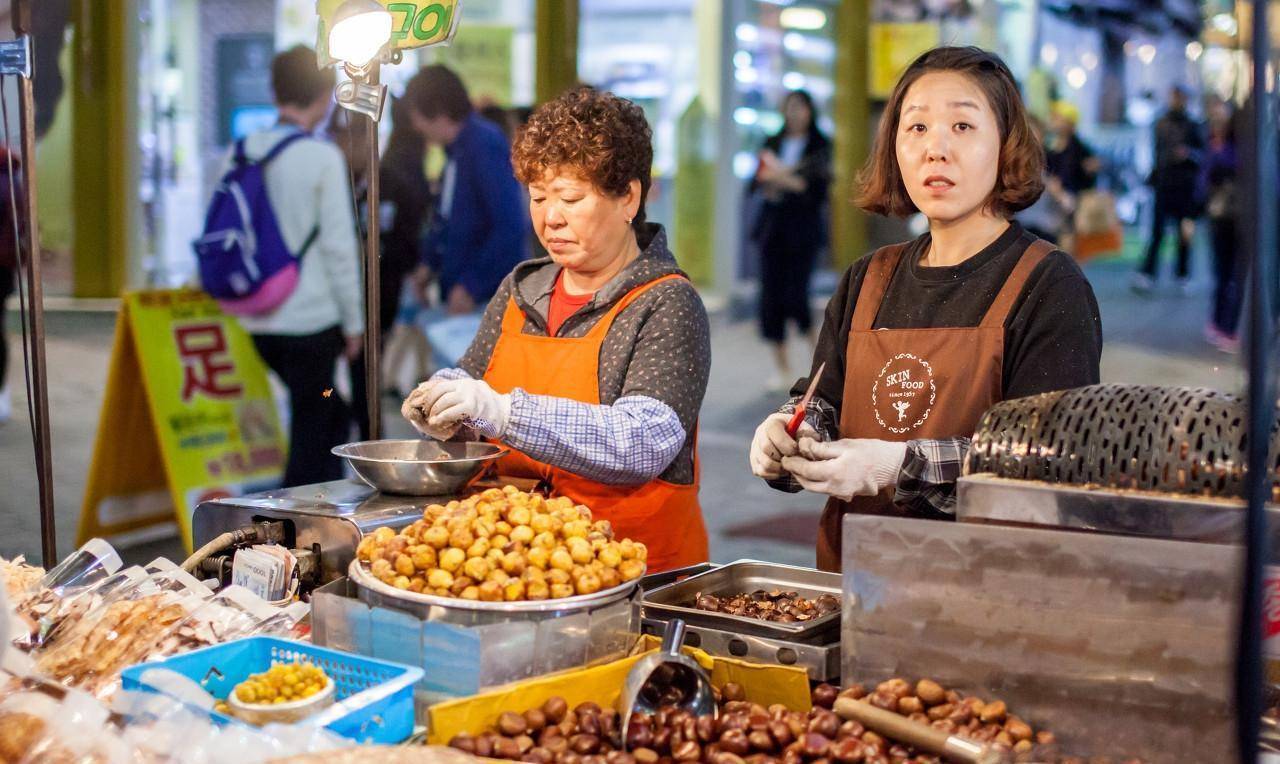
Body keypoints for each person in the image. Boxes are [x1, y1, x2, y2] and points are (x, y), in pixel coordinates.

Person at [747, 46, 1102, 571]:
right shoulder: (867, 278)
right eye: (916, 129)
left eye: (962, 126)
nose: (936, 148)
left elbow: (1051, 465)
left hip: (986, 595)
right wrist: (790, 435)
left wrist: (899, 466)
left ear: (1005, 145)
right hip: (853, 586)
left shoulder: (1049, 284)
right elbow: (821, 402)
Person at [401, 87, 711, 573]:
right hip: (512, 564)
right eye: (538, 196)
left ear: (629, 197)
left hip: (630, 568)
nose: (550, 217)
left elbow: (642, 441)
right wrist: (446, 399)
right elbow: (472, 377)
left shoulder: (665, 301)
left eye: (570, 197)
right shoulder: (523, 287)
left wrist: (502, 412)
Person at [232, 45, 364, 486]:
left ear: (274, 91)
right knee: (316, 422)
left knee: (318, 413)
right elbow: (339, 249)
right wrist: (353, 324)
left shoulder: (240, 152)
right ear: (325, 95)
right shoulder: (322, 158)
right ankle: (293, 531)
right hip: (313, 324)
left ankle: (311, 513)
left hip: (257, 322)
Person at [405, 65, 529, 317]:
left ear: (437, 110)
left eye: (416, 114)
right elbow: (448, 221)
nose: (416, 126)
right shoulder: (455, 153)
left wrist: (471, 285)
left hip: (488, 301)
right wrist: (429, 264)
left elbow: (510, 225)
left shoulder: (483, 145)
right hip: (468, 299)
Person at [750, 90, 832, 391]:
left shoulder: (820, 145)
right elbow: (755, 181)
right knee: (770, 298)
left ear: (810, 111)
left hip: (803, 231)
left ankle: (820, 365)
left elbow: (816, 190)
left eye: (800, 107)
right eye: (790, 107)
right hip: (772, 229)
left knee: (797, 296)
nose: (795, 113)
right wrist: (786, 180)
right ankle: (781, 368)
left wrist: (780, 178)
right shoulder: (772, 142)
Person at [1135, 86, 1204, 293]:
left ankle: (1182, 273)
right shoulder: (1161, 123)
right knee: (1158, 232)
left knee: (1184, 233)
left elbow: (1202, 154)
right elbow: (1157, 154)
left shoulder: (1192, 125)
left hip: (1185, 186)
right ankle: (1148, 273)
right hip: (1165, 184)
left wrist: (1189, 154)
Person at [1203, 99, 1240, 351]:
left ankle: (1226, 325)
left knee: (1232, 275)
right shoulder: (1216, 147)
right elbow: (1204, 180)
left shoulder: (1234, 150)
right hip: (1223, 216)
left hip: (1235, 216)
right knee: (1225, 274)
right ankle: (1220, 324)